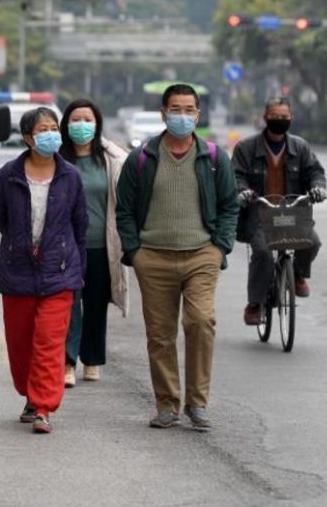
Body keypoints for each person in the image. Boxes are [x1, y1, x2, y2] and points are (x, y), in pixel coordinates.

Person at [115, 84, 238, 431]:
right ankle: (167, 404)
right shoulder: (141, 158)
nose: (182, 116)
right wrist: (134, 252)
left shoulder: (214, 158)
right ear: (163, 113)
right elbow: (123, 209)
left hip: (201, 255)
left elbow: (230, 207)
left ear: (198, 115)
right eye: (175, 109)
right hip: (152, 258)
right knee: (160, 334)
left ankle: (197, 403)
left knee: (200, 322)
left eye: (188, 110)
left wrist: (219, 247)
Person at [0, 107, 88, 434]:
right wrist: (20, 244)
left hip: (59, 273)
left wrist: (78, 270)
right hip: (18, 272)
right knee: (20, 345)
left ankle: (44, 406)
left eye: (54, 128)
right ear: (29, 137)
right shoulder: (8, 175)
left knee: (48, 342)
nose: (51, 134)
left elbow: (79, 226)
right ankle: (30, 395)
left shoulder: (70, 176)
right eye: (43, 129)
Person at [232, 97, 327, 327]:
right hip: (259, 214)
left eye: (284, 117)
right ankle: (255, 304)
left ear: (291, 119)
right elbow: (236, 176)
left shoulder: (300, 147)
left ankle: (297, 274)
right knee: (264, 253)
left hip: (293, 212)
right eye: (274, 116)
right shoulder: (246, 148)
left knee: (312, 242)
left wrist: (318, 188)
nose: (279, 121)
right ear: (265, 118)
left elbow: (315, 171)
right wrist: (243, 192)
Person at [58, 99, 131, 387]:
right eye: (75, 119)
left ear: (97, 124)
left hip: (102, 245)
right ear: (66, 124)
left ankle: (92, 360)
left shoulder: (112, 159)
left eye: (87, 119)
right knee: (68, 305)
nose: (81, 125)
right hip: (67, 247)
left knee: (96, 305)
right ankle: (67, 362)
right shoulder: (58, 158)